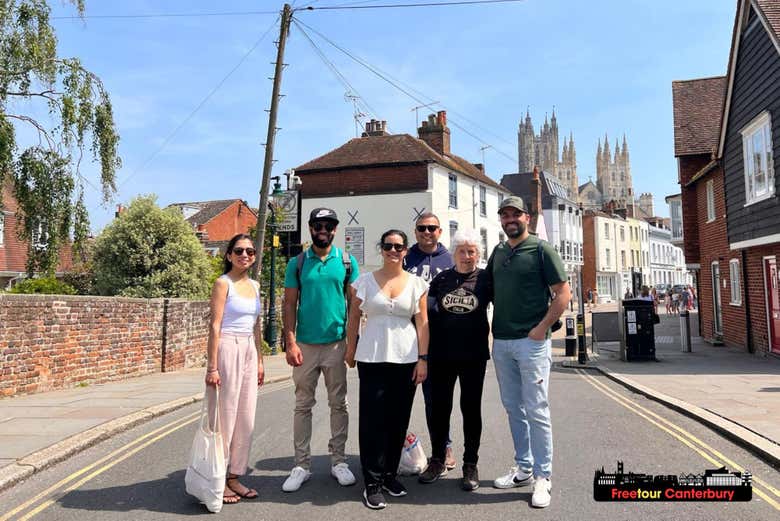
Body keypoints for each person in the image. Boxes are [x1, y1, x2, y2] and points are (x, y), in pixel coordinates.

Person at [487, 196, 571, 509]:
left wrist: (541, 328)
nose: (510, 219)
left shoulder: (540, 249)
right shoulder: (497, 251)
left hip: (532, 343)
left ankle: (542, 476)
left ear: (527, 217)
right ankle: (523, 467)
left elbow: (563, 294)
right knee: (513, 407)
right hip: (503, 343)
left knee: (536, 408)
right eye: (505, 215)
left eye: (516, 214)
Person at [346, 230, 429, 510]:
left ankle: (390, 474)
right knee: (372, 421)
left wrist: (423, 359)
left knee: (397, 419)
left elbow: (423, 322)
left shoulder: (417, 283)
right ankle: (372, 482)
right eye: (388, 246)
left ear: (406, 251)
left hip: (406, 359)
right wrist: (350, 349)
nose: (393, 250)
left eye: (399, 246)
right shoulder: (364, 282)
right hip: (372, 356)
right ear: (381, 249)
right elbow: (354, 317)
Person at [281, 208, 359, 492]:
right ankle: (301, 465)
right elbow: (289, 304)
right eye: (317, 225)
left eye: (327, 225)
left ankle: (339, 461)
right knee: (303, 405)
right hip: (305, 345)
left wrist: (352, 343)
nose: (322, 229)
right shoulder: (298, 263)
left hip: (337, 344)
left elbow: (354, 306)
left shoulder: (348, 262)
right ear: (311, 229)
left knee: (339, 404)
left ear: (335, 229)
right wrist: (290, 342)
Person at [418, 229, 491, 491]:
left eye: (472, 251)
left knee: (471, 410)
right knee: (440, 410)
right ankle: (437, 460)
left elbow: (507, 303)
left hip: (474, 357)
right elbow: (424, 314)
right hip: (442, 356)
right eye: (462, 250)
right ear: (454, 253)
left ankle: (470, 464)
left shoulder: (485, 279)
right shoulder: (441, 280)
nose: (467, 256)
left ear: (478, 255)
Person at [205, 234, 264, 504]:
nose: (245, 255)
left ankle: (234, 476)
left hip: (249, 350)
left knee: (246, 419)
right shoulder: (222, 283)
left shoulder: (254, 285)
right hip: (227, 347)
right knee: (224, 419)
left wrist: (260, 360)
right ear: (228, 255)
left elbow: (256, 326)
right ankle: (217, 478)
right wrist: (212, 367)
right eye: (239, 251)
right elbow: (215, 326)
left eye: (250, 252)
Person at [403, 212, 456, 470]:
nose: (427, 232)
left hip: (441, 342)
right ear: (415, 232)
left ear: (440, 231)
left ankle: (443, 446)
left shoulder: (450, 259)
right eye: (422, 228)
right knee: (400, 398)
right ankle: (395, 447)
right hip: (406, 341)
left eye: (432, 228)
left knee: (436, 400)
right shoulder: (404, 258)